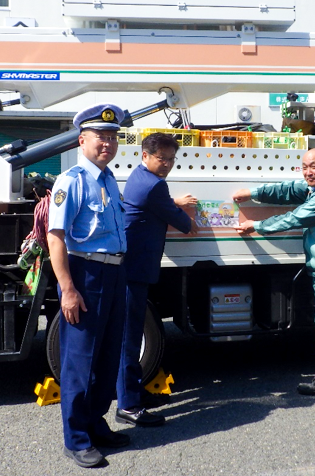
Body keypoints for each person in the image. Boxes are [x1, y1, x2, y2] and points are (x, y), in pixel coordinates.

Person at [233, 148, 315, 412]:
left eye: (313, 167)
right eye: (304, 167)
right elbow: (288, 190)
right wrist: (253, 194)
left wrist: (257, 225)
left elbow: (296, 217)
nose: (308, 172)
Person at [47, 103, 129, 468]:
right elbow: (56, 238)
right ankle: (76, 439)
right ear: (83, 140)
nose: (107, 144)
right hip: (86, 274)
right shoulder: (72, 181)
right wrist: (67, 288)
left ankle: (96, 425)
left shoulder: (109, 179)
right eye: (100, 137)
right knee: (79, 362)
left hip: (114, 274)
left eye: (112, 137)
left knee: (108, 357)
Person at [116, 132, 198, 427]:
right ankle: (127, 406)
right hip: (133, 270)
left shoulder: (139, 178)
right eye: (161, 158)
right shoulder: (154, 185)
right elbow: (183, 223)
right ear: (145, 155)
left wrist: (173, 203)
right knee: (129, 338)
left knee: (131, 334)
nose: (167, 164)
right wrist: (195, 220)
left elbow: (155, 204)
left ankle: (135, 393)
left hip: (132, 267)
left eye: (171, 159)